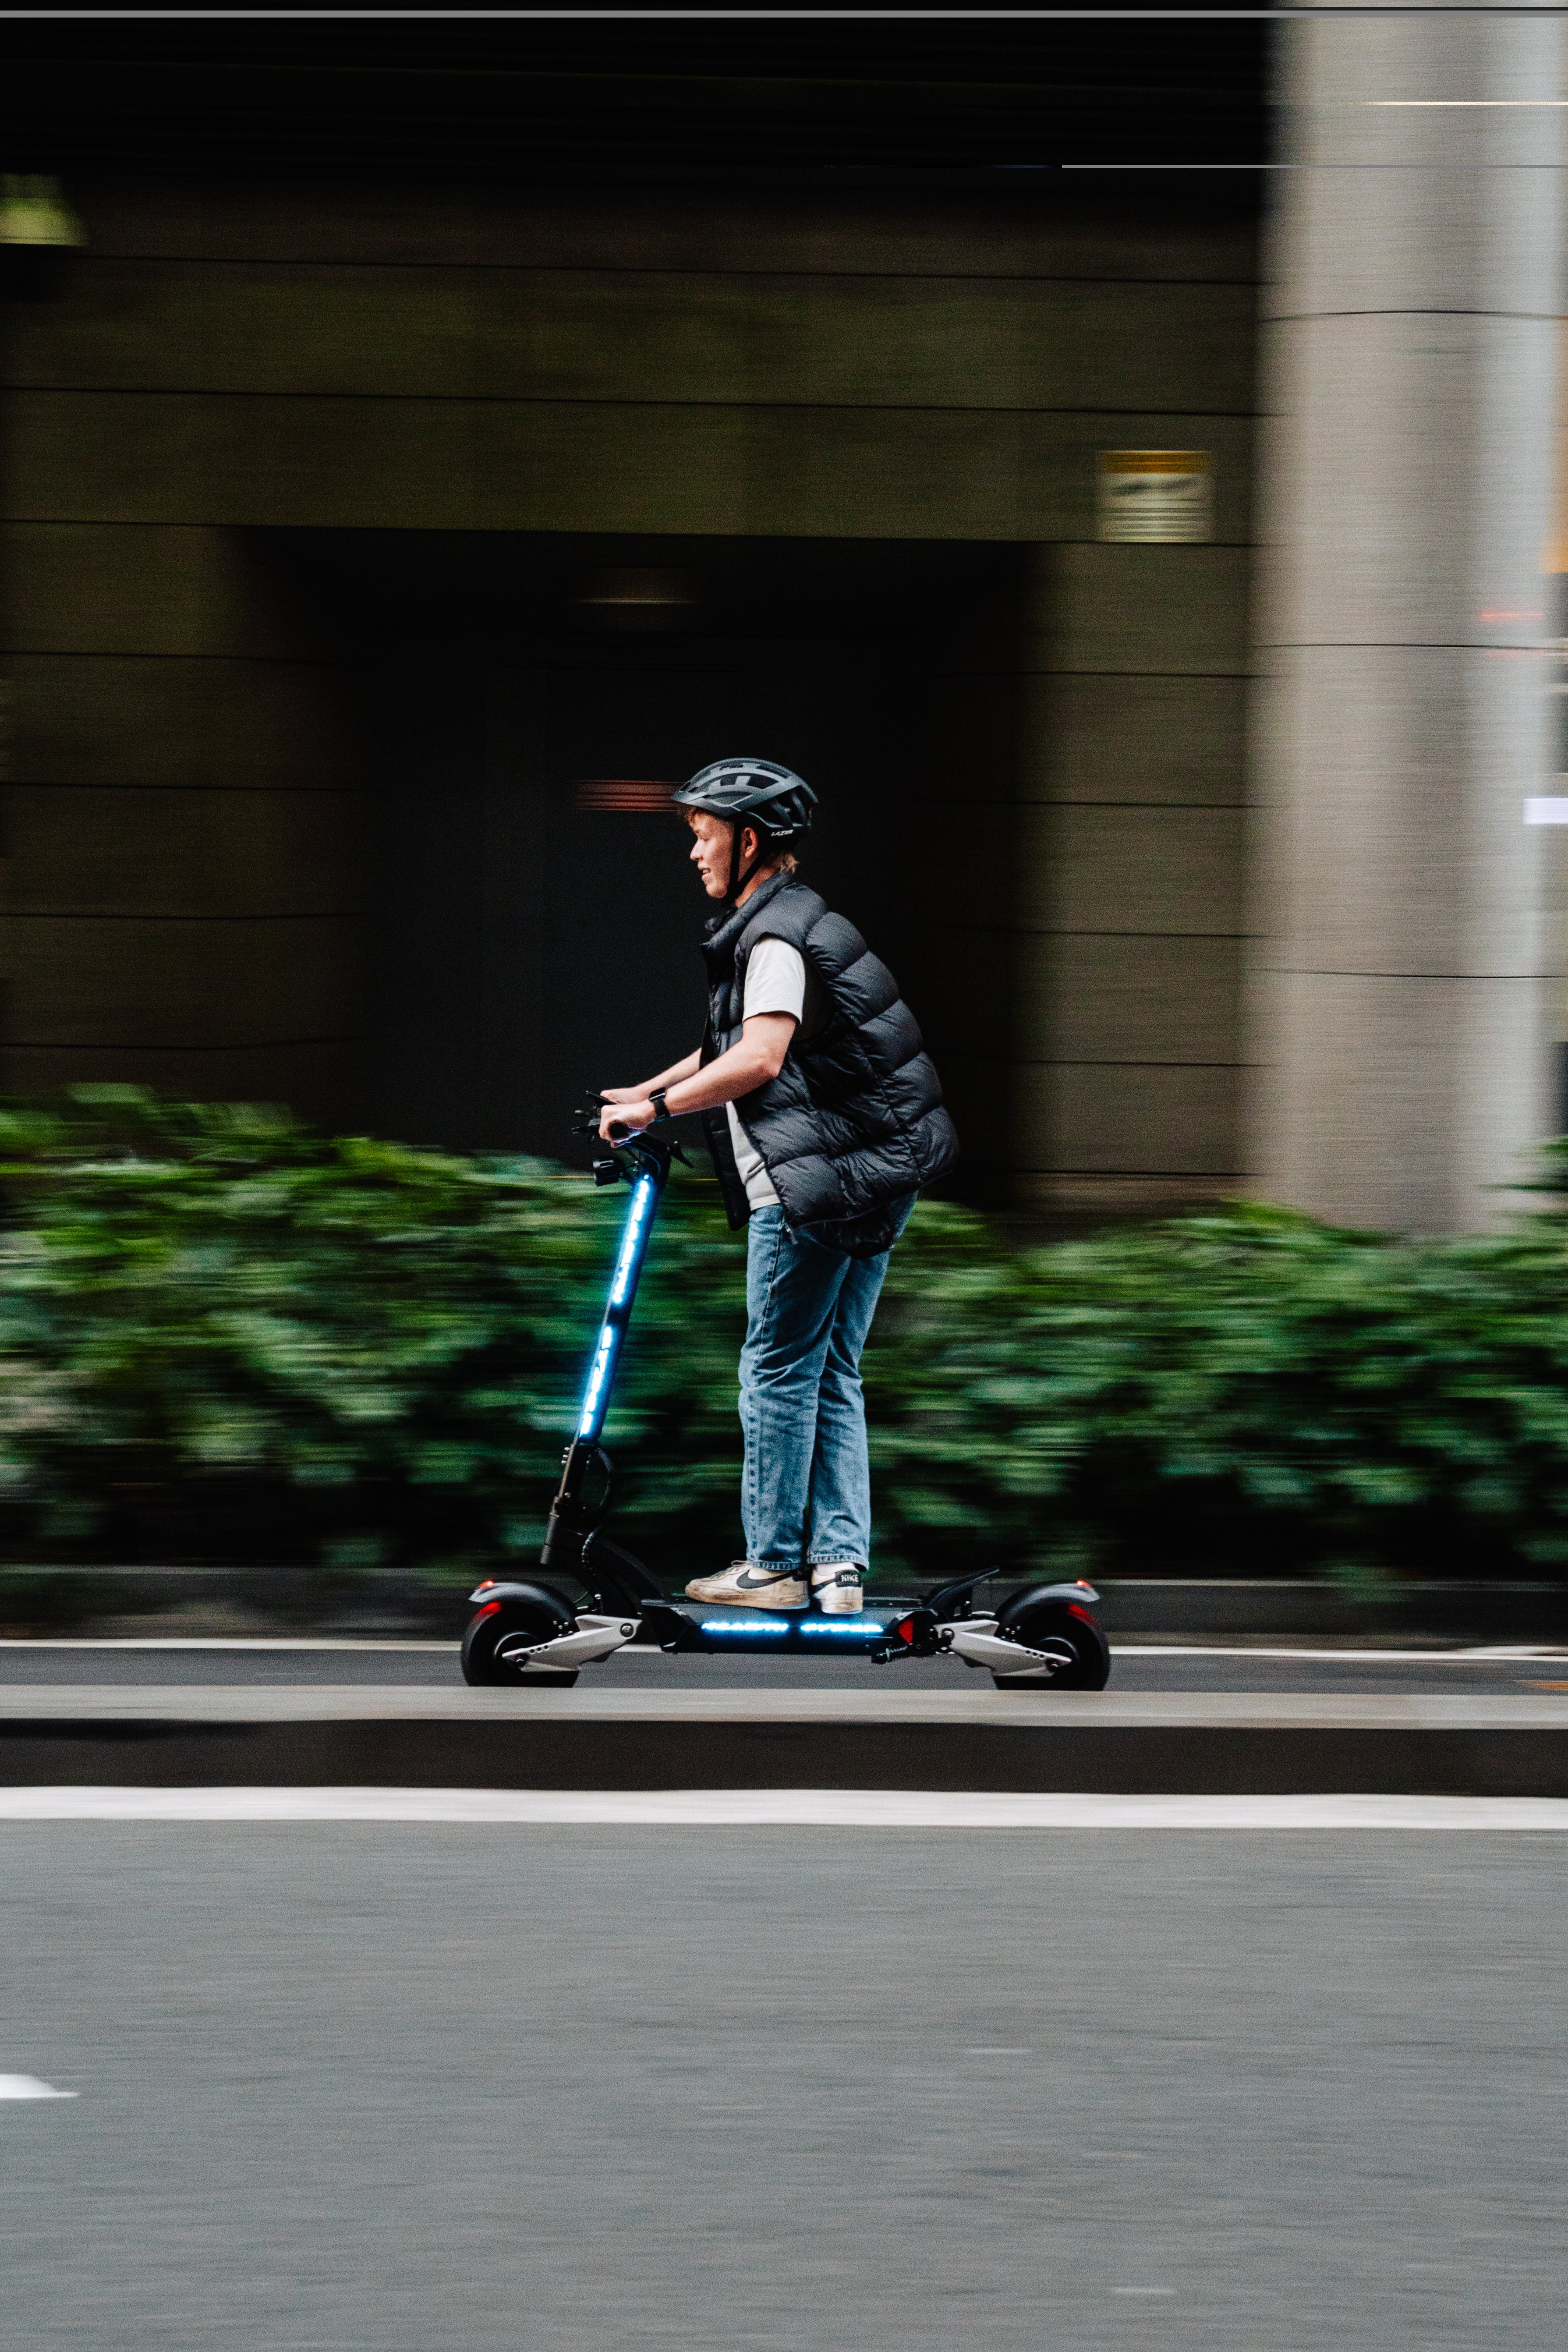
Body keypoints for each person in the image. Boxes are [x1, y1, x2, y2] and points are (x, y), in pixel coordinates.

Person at [598, 756, 958, 1614]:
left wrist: (656, 1109)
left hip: (819, 1185)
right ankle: (837, 1568)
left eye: (703, 834)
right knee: (830, 1367)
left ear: (748, 839)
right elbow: (743, 1045)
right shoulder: (791, 921)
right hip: (877, 1171)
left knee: (774, 1369)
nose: (693, 853)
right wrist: (647, 1096)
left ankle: (771, 1565)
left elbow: (758, 1058)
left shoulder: (768, 939)